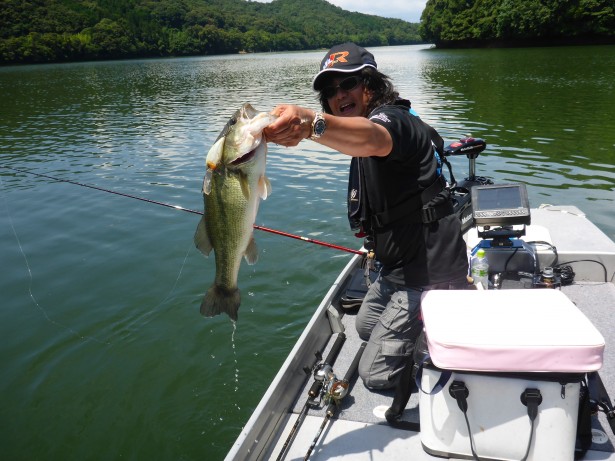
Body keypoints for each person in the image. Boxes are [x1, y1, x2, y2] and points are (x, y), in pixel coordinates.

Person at [264, 43, 469, 390]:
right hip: (398, 268)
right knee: (363, 326)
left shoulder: (393, 121)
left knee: (373, 374)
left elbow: (375, 138)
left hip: (429, 272)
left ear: (370, 84)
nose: (338, 95)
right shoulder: (357, 131)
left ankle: (451, 329)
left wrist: (310, 124)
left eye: (348, 84)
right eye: (329, 91)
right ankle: (424, 324)